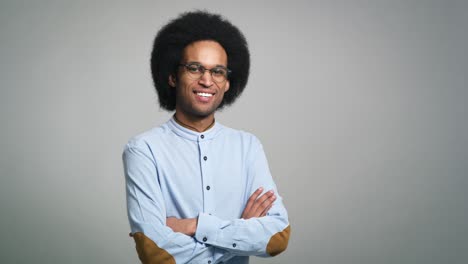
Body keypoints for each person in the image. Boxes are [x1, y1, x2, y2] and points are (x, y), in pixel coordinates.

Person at [122, 11, 290, 264]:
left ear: (227, 83)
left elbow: (277, 237)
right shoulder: (144, 149)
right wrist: (241, 231)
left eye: (218, 71)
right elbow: (155, 253)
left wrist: (194, 226)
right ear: (172, 76)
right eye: (194, 68)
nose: (206, 80)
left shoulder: (247, 147)